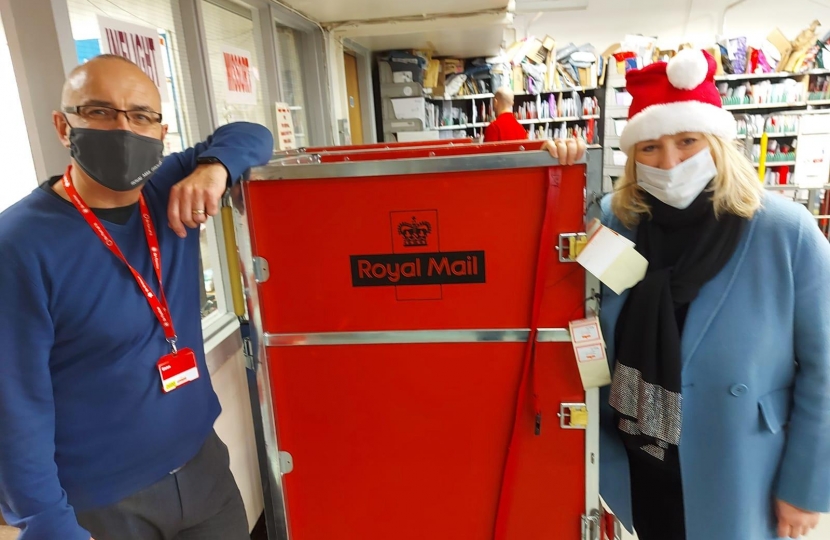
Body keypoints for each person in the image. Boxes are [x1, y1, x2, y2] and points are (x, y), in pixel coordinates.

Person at [0, 54, 273, 540]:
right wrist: (44, 521)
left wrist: (215, 168)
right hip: (102, 503)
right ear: (64, 127)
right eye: (100, 112)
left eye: (141, 115)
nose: (124, 128)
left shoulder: (168, 187)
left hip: (202, 469)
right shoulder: (19, 244)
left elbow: (253, 134)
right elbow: (15, 404)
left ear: (160, 131)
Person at [598, 48, 830, 540]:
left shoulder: (784, 231)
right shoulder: (615, 224)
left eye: (687, 140)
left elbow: (825, 367)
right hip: (634, 462)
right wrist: (553, 166)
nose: (671, 160)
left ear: (718, 143)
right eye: (650, 148)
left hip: (740, 464)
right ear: (632, 157)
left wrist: (809, 486)